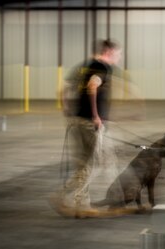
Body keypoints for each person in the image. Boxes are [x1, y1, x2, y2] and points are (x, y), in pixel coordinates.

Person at [51, 39, 122, 218]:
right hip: (91, 124)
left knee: (84, 164)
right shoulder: (103, 67)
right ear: (109, 51)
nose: (119, 57)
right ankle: (80, 203)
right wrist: (96, 116)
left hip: (76, 121)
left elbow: (63, 89)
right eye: (118, 53)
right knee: (93, 165)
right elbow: (92, 86)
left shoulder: (83, 66)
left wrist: (67, 110)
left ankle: (66, 197)